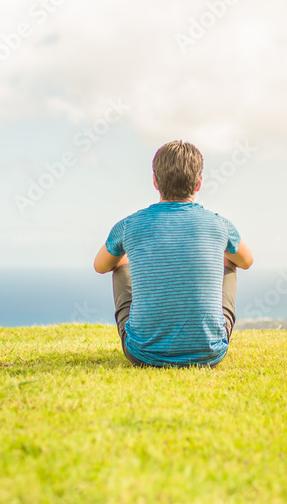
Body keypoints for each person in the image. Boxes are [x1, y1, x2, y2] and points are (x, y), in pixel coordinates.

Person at [93, 140, 253, 367]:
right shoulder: (220, 225)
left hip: (141, 356)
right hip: (210, 356)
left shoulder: (128, 225)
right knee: (229, 261)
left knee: (119, 263)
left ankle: (147, 335)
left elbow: (101, 266)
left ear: (155, 181)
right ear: (198, 183)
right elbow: (246, 261)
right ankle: (203, 338)